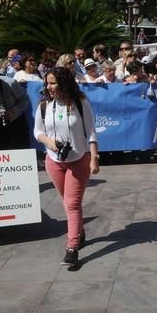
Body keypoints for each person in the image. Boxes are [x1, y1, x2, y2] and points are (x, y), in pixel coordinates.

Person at [34, 67, 99, 267]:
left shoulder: (80, 103)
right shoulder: (44, 105)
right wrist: (50, 143)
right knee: (68, 202)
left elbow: (91, 132)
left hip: (79, 160)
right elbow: (37, 131)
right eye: (47, 83)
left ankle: (72, 247)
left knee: (71, 204)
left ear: (64, 83)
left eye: (53, 83)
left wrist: (94, 157)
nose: (49, 87)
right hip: (54, 161)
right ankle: (79, 230)